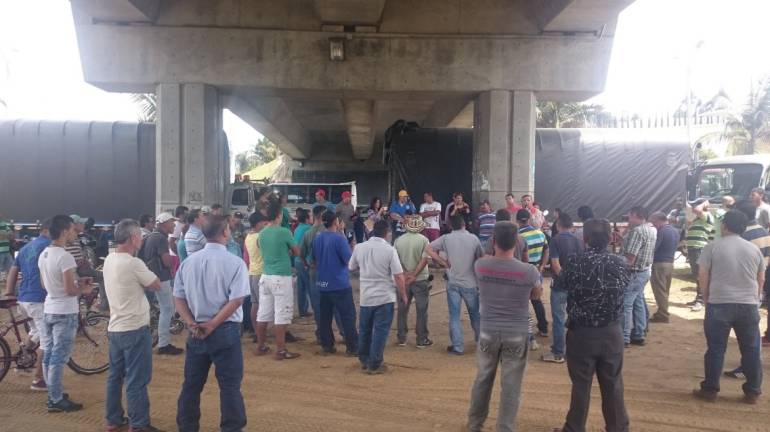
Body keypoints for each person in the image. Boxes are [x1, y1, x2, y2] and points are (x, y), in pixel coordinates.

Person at [173, 215, 250, 431]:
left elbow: (178, 297)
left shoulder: (188, 263)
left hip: (196, 329)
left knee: (191, 385)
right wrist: (213, 324)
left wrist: (190, 323)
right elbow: (236, 300)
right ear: (225, 232)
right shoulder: (235, 263)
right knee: (230, 387)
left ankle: (187, 427)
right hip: (224, 330)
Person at [555, 219, 631, 432]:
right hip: (612, 332)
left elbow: (560, 286)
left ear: (585, 238)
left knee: (581, 384)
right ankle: (617, 428)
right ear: (611, 238)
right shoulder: (621, 263)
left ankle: (574, 428)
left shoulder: (574, 262)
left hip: (582, 333)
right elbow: (626, 287)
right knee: (613, 384)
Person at [467, 222, 541, 432]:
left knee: (482, 379)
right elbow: (536, 295)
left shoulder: (481, 265)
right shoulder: (529, 270)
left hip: (488, 330)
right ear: (517, 241)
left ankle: (474, 425)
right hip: (516, 332)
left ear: (494, 241)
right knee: (511, 386)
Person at [692, 210, 765, 405]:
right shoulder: (753, 249)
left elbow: (703, 275)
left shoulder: (712, 247)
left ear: (724, 226)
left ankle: (710, 389)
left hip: (720, 303)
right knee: (751, 349)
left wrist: (706, 298)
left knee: (716, 349)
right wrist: (755, 298)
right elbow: (761, 278)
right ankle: (753, 391)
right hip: (748, 304)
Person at [102, 219, 162, 432]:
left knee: (115, 376)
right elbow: (155, 284)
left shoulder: (110, 259)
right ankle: (138, 424)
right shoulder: (133, 263)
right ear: (133, 238)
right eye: (140, 236)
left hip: (116, 326)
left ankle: (113, 419)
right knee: (137, 379)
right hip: (135, 327)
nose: (142, 239)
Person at [39, 215, 93, 412]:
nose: (74, 233)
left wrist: (73, 287)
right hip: (65, 310)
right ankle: (55, 399)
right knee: (58, 357)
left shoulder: (44, 253)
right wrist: (83, 290)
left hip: (49, 307)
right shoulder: (65, 256)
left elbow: (44, 284)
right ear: (64, 232)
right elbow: (70, 290)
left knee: (49, 353)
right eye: (72, 230)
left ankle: (53, 392)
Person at [349, 220, 407, 374]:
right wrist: (404, 294)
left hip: (366, 296)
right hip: (384, 297)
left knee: (365, 329)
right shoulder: (389, 250)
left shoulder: (360, 247)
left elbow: (351, 266)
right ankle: (375, 363)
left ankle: (364, 359)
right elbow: (399, 276)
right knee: (380, 331)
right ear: (387, 233)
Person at [3, 218, 52, 391]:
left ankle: (23, 358)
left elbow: (14, 270)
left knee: (35, 331)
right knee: (48, 341)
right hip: (39, 298)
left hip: (23, 298)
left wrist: (9, 292)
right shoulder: (49, 247)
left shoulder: (26, 247)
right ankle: (39, 380)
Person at [724, 200, 770, 379]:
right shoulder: (763, 231)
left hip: (747, 287)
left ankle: (748, 367)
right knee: (751, 331)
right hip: (761, 282)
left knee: (749, 334)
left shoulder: (745, 237)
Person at [426, 214, 483, 355]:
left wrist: (443, 262)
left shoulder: (446, 238)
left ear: (451, 226)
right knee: (475, 315)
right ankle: (482, 345)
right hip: (470, 283)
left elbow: (428, 248)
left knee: (454, 316)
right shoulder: (473, 239)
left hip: (453, 282)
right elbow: (481, 258)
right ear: (464, 224)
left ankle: (457, 347)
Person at [256, 199, 301, 360]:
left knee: (263, 314)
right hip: (281, 276)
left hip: (266, 275)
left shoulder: (261, 233)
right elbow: (297, 251)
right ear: (279, 215)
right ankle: (281, 350)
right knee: (281, 314)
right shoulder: (284, 232)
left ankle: (261, 346)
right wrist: (287, 252)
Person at [312, 211, 359, 355]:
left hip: (322, 282)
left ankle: (327, 345)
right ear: (336, 222)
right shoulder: (339, 239)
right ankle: (352, 347)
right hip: (339, 283)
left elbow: (314, 259)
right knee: (347, 316)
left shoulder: (317, 238)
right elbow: (349, 261)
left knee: (325, 316)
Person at [541, 213, 583, 364]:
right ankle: (576, 350)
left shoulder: (555, 240)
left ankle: (558, 353)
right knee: (574, 317)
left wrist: (564, 280)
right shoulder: (579, 240)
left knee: (558, 319)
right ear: (571, 226)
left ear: (558, 226)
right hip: (576, 284)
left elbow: (555, 264)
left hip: (560, 285)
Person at [139, 212, 183, 356]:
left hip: (151, 276)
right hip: (161, 277)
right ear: (164, 224)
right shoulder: (161, 239)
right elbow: (166, 261)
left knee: (160, 308)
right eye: (171, 222)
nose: (174, 225)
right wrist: (172, 264)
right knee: (167, 309)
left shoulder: (152, 236)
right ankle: (164, 344)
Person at [394, 216, 432, 348]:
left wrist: (406, 273)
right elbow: (425, 259)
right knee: (422, 310)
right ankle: (422, 339)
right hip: (420, 278)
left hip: (403, 279)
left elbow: (396, 259)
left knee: (402, 308)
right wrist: (414, 274)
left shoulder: (398, 240)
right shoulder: (424, 240)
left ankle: (401, 338)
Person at [621, 206, 656, 347]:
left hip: (634, 272)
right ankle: (639, 333)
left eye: (630, 216)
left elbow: (630, 258)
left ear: (636, 215)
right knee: (638, 301)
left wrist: (615, 260)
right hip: (645, 270)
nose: (628, 219)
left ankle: (624, 337)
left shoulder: (637, 231)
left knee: (626, 303)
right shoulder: (652, 229)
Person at [516, 209, 550, 338]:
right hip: (536, 271)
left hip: (523, 272)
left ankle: (526, 332)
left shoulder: (518, 236)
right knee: (537, 300)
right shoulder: (540, 234)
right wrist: (542, 266)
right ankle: (544, 328)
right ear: (529, 219)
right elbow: (547, 251)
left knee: (522, 302)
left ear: (517, 220)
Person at [649, 211, 680, 323]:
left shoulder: (661, 231)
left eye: (653, 222)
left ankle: (663, 314)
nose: (653, 224)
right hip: (670, 263)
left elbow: (654, 247)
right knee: (665, 289)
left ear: (658, 220)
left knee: (659, 290)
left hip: (659, 263)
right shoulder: (675, 231)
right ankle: (662, 311)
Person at [685, 200, 715, 312]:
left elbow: (697, 209)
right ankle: (699, 297)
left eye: (696, 204)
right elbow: (690, 212)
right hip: (694, 248)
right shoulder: (698, 218)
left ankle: (701, 300)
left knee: (700, 275)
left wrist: (705, 203)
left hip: (699, 248)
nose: (694, 207)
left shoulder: (706, 215)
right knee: (696, 275)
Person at [243, 211, 269, 340]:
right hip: (261, 273)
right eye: (264, 222)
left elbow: (246, 257)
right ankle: (260, 335)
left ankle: (257, 332)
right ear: (259, 223)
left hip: (252, 272)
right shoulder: (261, 236)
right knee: (263, 307)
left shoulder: (248, 236)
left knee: (255, 304)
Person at [293, 209, 313, 317]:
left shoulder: (297, 229)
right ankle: (316, 309)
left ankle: (303, 310)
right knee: (310, 286)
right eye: (310, 216)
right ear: (306, 218)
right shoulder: (309, 229)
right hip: (305, 261)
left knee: (301, 286)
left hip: (297, 260)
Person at [168, 205, 189, 270]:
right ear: (180, 215)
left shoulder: (184, 224)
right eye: (185, 214)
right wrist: (178, 254)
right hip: (175, 256)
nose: (187, 216)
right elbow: (171, 242)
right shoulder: (176, 225)